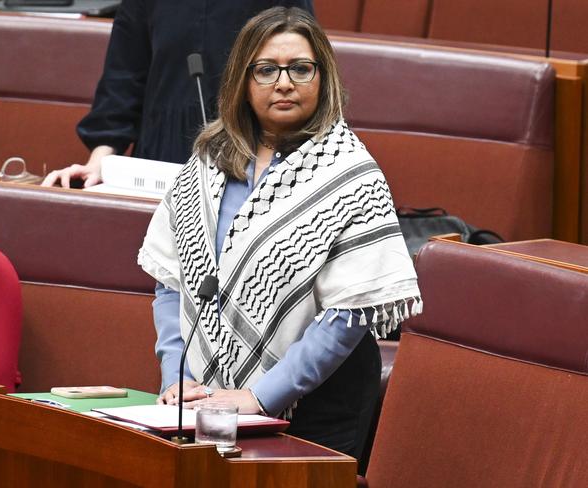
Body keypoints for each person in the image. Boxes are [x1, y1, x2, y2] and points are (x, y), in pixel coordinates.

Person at [138, 7, 421, 462]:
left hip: (321, 405)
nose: (284, 82)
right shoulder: (208, 162)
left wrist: (261, 397)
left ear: (322, 78)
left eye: (300, 69)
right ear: (242, 82)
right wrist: (176, 377)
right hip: (206, 399)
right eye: (266, 69)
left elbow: (347, 316)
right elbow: (172, 284)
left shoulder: (351, 175)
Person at [42, 0, 313, 189]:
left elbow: (300, 73)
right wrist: (99, 163)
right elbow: (123, 81)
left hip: (248, 156)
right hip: (159, 156)